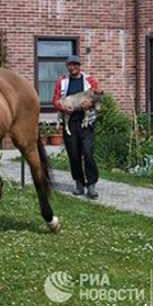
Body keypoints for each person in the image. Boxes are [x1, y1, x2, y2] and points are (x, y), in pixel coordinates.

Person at [52, 55, 100, 199]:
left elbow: (97, 98)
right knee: (74, 155)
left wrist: (90, 105)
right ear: (67, 66)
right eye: (70, 65)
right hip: (70, 124)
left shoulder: (89, 81)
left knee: (88, 152)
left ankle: (91, 184)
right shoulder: (62, 82)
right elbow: (55, 101)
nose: (73, 67)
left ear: (80, 65)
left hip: (86, 123)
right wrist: (63, 108)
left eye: (75, 65)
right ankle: (79, 183)